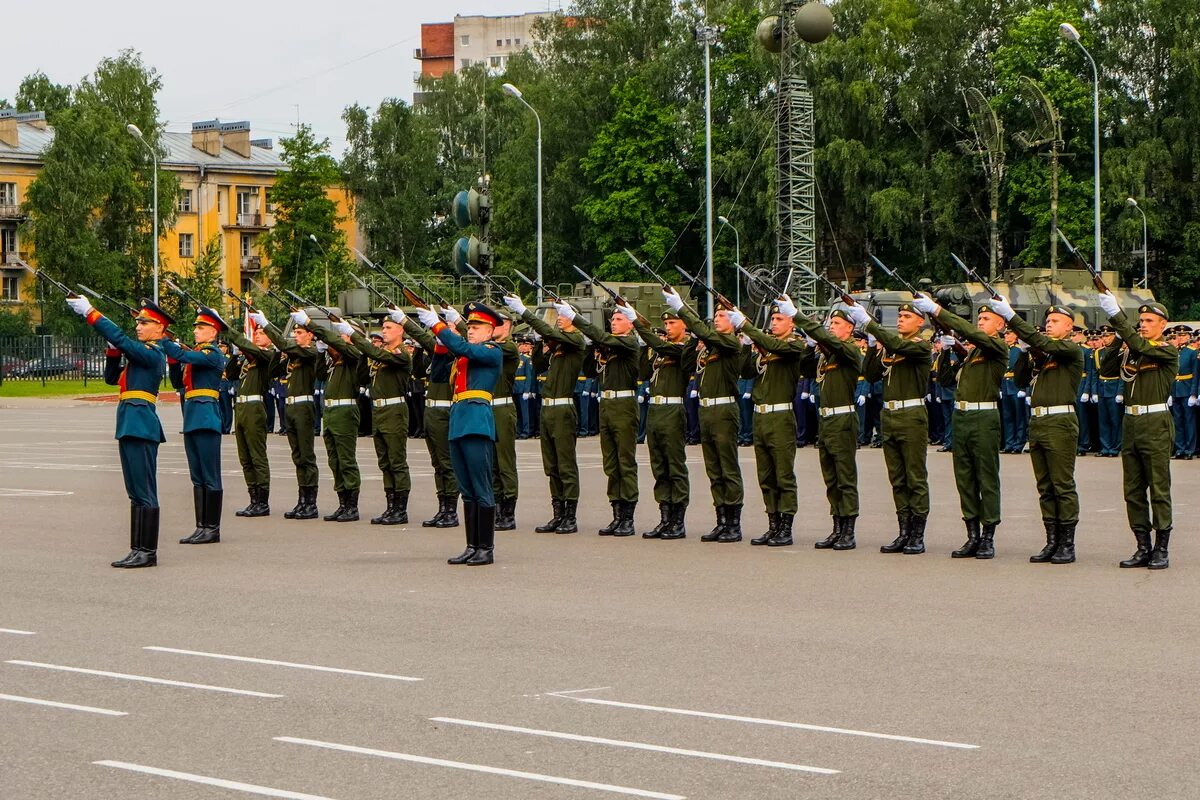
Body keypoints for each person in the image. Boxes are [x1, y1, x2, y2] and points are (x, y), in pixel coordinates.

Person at [67, 295, 169, 568]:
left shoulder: (154, 352)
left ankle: (148, 551)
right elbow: (112, 377)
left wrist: (91, 313)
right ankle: (137, 548)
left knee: (145, 491)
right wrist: (112, 350)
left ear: (160, 328)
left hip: (142, 427)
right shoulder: (140, 356)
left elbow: (125, 341)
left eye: (144, 322)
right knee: (135, 492)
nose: (138, 326)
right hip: (129, 425)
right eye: (137, 322)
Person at [913, 295, 1009, 558]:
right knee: (965, 479)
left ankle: (988, 536)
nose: (980, 322)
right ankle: (972, 535)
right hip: (962, 419)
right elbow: (945, 380)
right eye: (979, 318)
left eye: (986, 318)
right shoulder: (972, 354)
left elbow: (969, 332)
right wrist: (946, 349)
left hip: (984, 419)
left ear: (1000, 325)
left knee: (986, 479)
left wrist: (938, 310)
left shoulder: (996, 348)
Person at [990, 300, 1084, 564]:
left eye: (1055, 322)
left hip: (1061, 422)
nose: (1049, 325)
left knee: (1062, 485)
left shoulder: (1070, 349)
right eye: (1048, 322)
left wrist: (1013, 319)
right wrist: (1023, 350)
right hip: (1039, 423)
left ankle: (1067, 543)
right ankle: (1051, 541)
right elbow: (1020, 380)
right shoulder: (1046, 354)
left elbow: (1046, 344)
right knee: (1045, 486)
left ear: (1069, 327)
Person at [414, 302, 503, 565]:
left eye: (477, 327)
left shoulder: (491, 351)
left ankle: (486, 548)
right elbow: (439, 374)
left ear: (490, 331)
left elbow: (464, 347)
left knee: (481, 486)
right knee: (467, 488)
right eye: (470, 327)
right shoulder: (464, 356)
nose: (472, 331)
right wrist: (442, 342)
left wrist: (438, 325)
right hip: (459, 421)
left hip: (476, 421)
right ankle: (472, 545)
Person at [1099, 294, 1178, 569]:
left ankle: (1161, 547)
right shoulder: (1133, 347)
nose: (1142, 324)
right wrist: (1121, 338)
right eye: (1140, 320)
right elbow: (1107, 369)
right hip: (1131, 424)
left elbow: (1139, 343)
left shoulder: (1167, 350)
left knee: (1158, 488)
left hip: (1155, 423)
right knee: (1133, 490)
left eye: (1148, 321)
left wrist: (1119, 321)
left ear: (1163, 325)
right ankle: (1142, 546)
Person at [853, 301, 933, 554]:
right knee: (897, 478)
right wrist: (874, 346)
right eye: (899, 316)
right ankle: (904, 531)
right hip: (890, 415)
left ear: (920, 322)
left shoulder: (920, 346)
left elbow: (898, 345)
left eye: (907, 316)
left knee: (914, 477)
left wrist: (871, 325)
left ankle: (917, 535)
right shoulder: (893, 347)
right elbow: (872, 374)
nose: (900, 320)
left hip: (911, 416)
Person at [784, 299, 863, 550]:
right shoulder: (826, 355)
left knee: (845, 478)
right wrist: (809, 346)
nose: (831, 327)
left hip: (843, 419)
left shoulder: (850, 350)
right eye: (830, 323)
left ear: (850, 328)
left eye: (836, 324)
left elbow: (834, 345)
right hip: (826, 419)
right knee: (831, 478)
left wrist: (798, 317)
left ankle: (848, 530)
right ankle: (836, 527)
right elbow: (805, 368)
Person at [505, 293, 586, 533]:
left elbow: (556, 335)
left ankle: (570, 516)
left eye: (563, 315)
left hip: (562, 408)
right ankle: (558, 514)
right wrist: (542, 342)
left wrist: (525, 313)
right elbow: (539, 364)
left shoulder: (576, 340)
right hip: (548, 408)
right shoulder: (558, 344)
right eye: (558, 315)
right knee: (551, 465)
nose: (559, 319)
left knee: (565, 465)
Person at [735, 301, 813, 546]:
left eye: (779, 320)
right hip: (761, 416)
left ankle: (786, 527)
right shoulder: (766, 346)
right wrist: (747, 347)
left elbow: (773, 345)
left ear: (791, 322)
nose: (774, 323)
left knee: (783, 474)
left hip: (780, 417)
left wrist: (748, 327)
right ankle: (773, 524)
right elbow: (746, 372)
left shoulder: (793, 345)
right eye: (773, 320)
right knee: (766, 475)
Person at [564, 301, 642, 536]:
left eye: (619, 319)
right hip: (606, 405)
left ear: (630, 323)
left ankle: (627, 517)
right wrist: (591, 347)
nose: (613, 323)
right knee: (611, 463)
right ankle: (616, 514)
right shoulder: (610, 346)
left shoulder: (629, 343)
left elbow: (607, 339)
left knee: (625, 462)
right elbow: (589, 371)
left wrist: (579, 322)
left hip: (624, 405)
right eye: (612, 320)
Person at [673, 290, 745, 542]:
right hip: (707, 410)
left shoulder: (730, 343)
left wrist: (683, 310)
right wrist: (693, 339)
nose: (716, 318)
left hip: (724, 410)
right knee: (714, 469)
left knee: (728, 468)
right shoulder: (709, 348)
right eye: (715, 315)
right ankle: (721, 520)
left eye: (722, 315)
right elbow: (685, 366)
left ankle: (734, 523)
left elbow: (711, 336)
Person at [161, 306, 230, 545]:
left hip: (207, 418)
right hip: (192, 418)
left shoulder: (212, 354)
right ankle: (201, 526)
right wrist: (171, 356)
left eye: (201, 328)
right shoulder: (198, 354)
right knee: (197, 477)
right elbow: (178, 381)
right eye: (196, 328)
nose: (197, 332)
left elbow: (187, 356)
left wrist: (163, 338)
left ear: (213, 332)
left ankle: (213, 528)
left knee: (210, 476)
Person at [632, 303, 698, 539]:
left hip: (672, 410)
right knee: (659, 467)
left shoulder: (684, 349)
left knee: (675, 466)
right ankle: (665, 518)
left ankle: (678, 521)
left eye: (672, 323)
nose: (668, 328)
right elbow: (642, 372)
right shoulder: (660, 351)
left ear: (685, 326)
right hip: (656, 410)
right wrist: (642, 346)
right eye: (666, 324)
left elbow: (660, 344)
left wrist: (639, 326)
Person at [251, 307, 322, 520]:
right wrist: (278, 355)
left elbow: (284, 343)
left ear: (310, 335)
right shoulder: (293, 355)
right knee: (297, 455)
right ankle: (302, 500)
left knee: (306, 456)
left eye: (300, 333)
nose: (296, 336)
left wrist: (266, 325)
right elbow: (273, 372)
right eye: (296, 333)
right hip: (291, 407)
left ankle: (311, 502)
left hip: (304, 407)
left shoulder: (311, 352)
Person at [346, 311, 414, 525]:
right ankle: (390, 505)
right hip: (379, 412)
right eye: (383, 328)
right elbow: (362, 378)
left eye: (388, 328)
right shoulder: (380, 354)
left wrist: (359, 341)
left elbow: (382, 357)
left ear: (401, 330)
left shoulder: (402, 353)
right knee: (385, 462)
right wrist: (362, 354)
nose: (384, 331)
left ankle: (400, 509)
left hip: (394, 411)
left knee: (397, 461)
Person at [404, 317, 460, 527]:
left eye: (449, 327)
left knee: (447, 464)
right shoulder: (439, 353)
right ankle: (442, 507)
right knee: (437, 464)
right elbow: (419, 371)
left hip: (446, 412)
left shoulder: (458, 352)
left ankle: (451, 511)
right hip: (432, 412)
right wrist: (419, 349)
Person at [224, 316, 281, 517]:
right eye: (255, 332)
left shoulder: (270, 356)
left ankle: (263, 502)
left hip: (255, 408)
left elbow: (259, 354)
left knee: (257, 456)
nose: (257, 335)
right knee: (245, 457)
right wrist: (236, 355)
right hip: (240, 407)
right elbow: (230, 374)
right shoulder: (249, 359)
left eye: (261, 333)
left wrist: (232, 333)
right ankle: (253, 499)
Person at [310, 317, 366, 522]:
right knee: (335, 461)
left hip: (345, 412)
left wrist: (334, 340)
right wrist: (320, 351)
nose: (341, 338)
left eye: (345, 334)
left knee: (346, 460)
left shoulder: (356, 355)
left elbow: (352, 349)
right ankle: (342, 503)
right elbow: (320, 374)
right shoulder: (338, 361)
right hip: (332, 413)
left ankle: (352, 505)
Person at [488, 309, 521, 531]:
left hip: (502, 408)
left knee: (505, 463)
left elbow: (490, 349)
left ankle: (508, 512)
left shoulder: (508, 347)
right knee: (491, 464)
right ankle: (497, 507)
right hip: (487, 409)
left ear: (508, 326)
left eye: (497, 324)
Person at [1093, 325, 1124, 457]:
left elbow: (1123, 373)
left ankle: (1115, 447)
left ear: (1113, 336)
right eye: (1103, 336)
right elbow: (1095, 373)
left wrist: (1120, 392)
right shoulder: (1098, 352)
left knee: (1115, 420)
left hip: (1114, 386)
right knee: (1103, 420)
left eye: (1107, 336)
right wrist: (1094, 391)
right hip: (1102, 388)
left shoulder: (1120, 352)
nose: (1104, 339)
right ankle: (1105, 447)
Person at [1000, 329, 1029, 453]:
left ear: (1015, 335)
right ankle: (1009, 443)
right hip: (1006, 385)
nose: (1006, 336)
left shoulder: (1019, 351)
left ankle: (1018, 444)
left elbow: (1025, 370)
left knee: (1019, 417)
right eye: (1005, 334)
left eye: (1009, 333)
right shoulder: (1006, 350)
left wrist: (1023, 388)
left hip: (1016, 385)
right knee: (1008, 417)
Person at [1170, 325, 1196, 459]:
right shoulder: (1174, 352)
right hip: (1175, 389)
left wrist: (1193, 393)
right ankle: (1179, 448)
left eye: (1183, 335)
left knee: (1189, 421)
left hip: (1187, 389)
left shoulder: (1192, 352)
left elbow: (1195, 374)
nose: (1180, 338)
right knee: (1177, 421)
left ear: (1188, 336)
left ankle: (1189, 449)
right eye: (1178, 336)